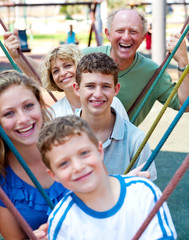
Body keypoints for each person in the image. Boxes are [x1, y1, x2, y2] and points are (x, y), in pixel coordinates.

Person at [4, 8, 189, 126]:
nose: (126, 37)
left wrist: (183, 62)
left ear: (143, 37)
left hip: (118, 144)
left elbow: (184, 105)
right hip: (81, 140)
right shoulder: (87, 57)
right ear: (108, 33)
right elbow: (51, 75)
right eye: (120, 31)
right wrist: (19, 58)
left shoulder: (152, 73)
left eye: (133, 32)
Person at [37, 115, 177, 240]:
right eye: (64, 163)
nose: (78, 167)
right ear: (53, 175)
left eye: (84, 153)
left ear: (99, 151)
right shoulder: (63, 221)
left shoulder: (142, 193)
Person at [0, 70, 68, 240]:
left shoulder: (72, 145)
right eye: (9, 113)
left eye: (28, 106)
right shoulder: (3, 179)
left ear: (39, 104)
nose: (23, 119)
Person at [73, 52, 157, 180]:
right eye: (90, 86)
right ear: (77, 89)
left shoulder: (135, 140)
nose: (98, 94)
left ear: (116, 89)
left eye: (105, 86)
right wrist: (122, 182)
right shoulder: (62, 135)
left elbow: (146, 194)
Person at [41, 44, 129, 120]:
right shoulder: (53, 114)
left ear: (80, 65)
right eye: (55, 71)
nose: (62, 73)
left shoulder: (112, 103)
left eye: (67, 66)